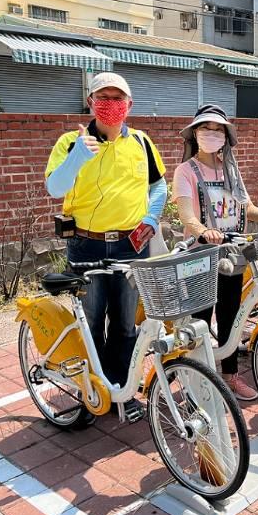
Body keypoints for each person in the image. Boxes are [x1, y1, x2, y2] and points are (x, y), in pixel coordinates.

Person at [45, 72, 167, 420]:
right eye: (103, 98)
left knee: (127, 323)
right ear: (90, 102)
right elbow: (55, 187)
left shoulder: (142, 142)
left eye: (118, 99)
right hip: (87, 246)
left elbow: (158, 186)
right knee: (92, 321)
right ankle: (90, 394)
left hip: (132, 245)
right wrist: (77, 158)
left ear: (129, 105)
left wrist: (152, 216)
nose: (110, 105)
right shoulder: (72, 142)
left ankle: (121, 391)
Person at [173, 104, 258, 402]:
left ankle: (230, 375)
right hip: (200, 257)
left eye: (218, 129)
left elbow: (245, 208)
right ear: (195, 133)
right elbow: (186, 214)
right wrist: (203, 231)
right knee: (201, 320)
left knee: (232, 316)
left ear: (226, 136)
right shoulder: (186, 170)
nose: (212, 134)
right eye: (207, 128)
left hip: (232, 253)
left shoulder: (231, 169)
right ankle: (199, 378)